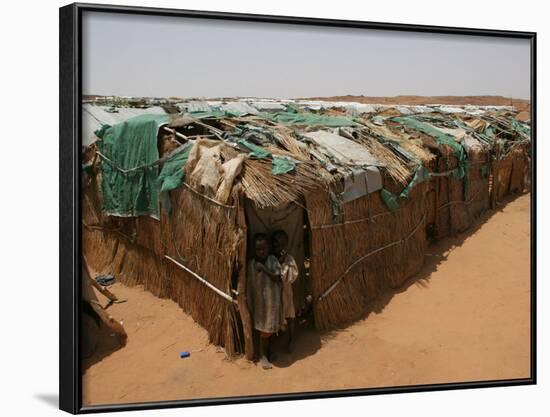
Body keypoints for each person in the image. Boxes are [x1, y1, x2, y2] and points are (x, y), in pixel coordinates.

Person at [246, 233, 282, 369]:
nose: (261, 252)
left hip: (272, 303)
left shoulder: (272, 260)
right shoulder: (251, 264)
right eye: (258, 249)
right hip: (260, 305)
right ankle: (262, 355)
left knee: (271, 329)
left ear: (269, 248)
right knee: (263, 331)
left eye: (264, 249)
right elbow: (249, 284)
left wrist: (265, 270)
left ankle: (270, 351)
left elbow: (278, 278)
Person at [272, 230, 299, 353]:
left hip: (287, 293)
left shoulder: (289, 259)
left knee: (290, 315)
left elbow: (292, 276)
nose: (280, 248)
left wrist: (283, 262)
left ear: (287, 245)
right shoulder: (271, 259)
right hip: (274, 296)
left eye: (283, 245)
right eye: (277, 245)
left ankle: (292, 338)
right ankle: (274, 339)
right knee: (275, 314)